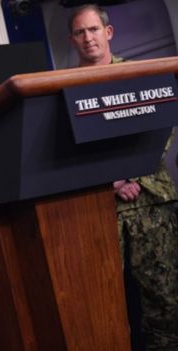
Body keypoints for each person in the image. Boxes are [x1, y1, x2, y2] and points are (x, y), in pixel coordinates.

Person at [69, 5, 178, 350]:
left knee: (166, 298)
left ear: (108, 32)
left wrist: (128, 174)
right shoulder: (62, 86)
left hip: (151, 201)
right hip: (98, 208)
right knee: (104, 302)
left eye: (94, 30)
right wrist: (110, 181)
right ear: (73, 40)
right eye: (80, 32)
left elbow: (161, 130)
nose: (88, 38)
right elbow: (67, 148)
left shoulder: (141, 74)